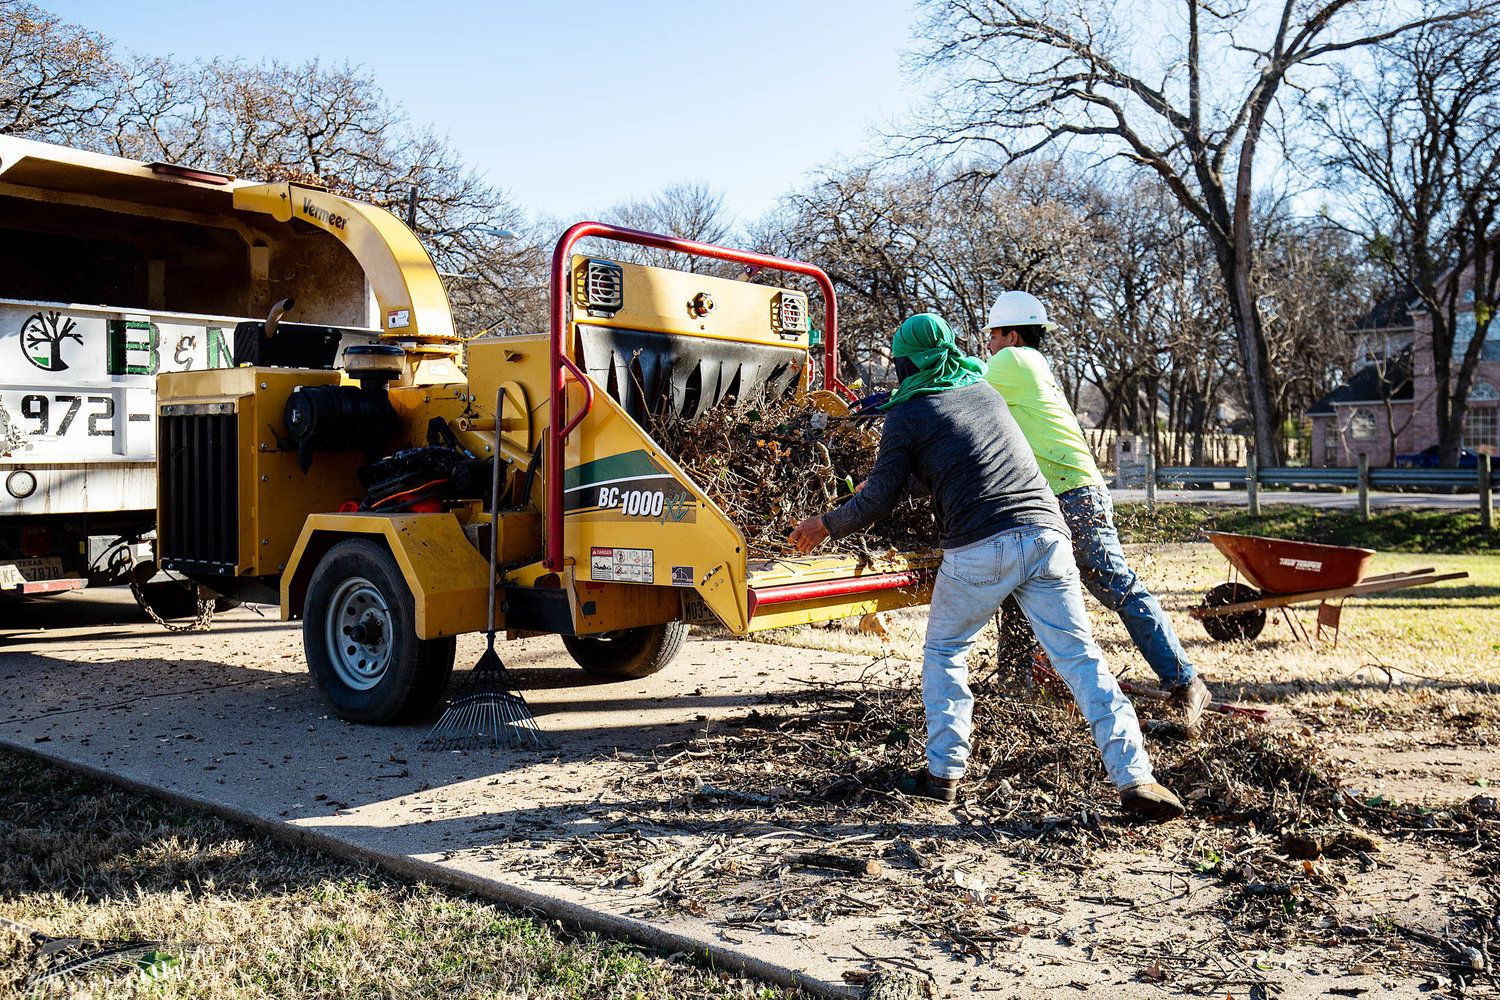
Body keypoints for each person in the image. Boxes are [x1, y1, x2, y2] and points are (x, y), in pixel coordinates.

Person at [787, 313, 1184, 822]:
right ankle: (1137, 778)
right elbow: (956, 460)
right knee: (1082, 660)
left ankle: (943, 774)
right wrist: (892, 483)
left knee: (946, 651)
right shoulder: (982, 390)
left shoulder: (907, 413)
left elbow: (883, 498)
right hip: (1048, 535)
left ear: (905, 362)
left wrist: (825, 523)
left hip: (982, 546)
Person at [982, 291, 1212, 729]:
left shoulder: (1016, 362)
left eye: (992, 336)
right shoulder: (1024, 367)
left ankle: (1185, 682)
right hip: (1052, 497)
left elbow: (960, 383)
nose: (988, 345)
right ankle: (1016, 688)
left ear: (1012, 335)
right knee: (1022, 582)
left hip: (1073, 495)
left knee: (1114, 584)